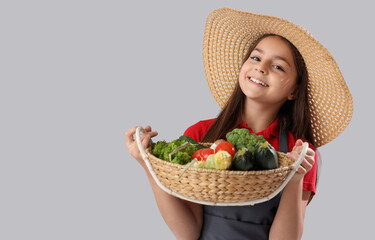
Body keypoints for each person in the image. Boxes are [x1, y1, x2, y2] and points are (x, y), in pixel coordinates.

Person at [125, 8, 353, 240]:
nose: (261, 67)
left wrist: (294, 175)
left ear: (294, 90)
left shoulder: (300, 151)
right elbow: (188, 233)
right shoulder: (200, 134)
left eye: (278, 66)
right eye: (255, 57)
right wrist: (148, 164)